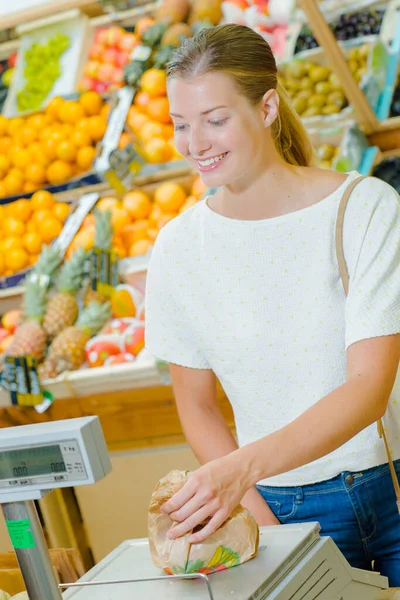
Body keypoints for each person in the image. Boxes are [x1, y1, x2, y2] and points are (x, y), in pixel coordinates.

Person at [145, 23, 400, 583]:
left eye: (215, 120)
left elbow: (368, 387)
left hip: (393, 484)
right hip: (279, 507)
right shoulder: (178, 249)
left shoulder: (364, 209)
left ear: (265, 108)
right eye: (181, 125)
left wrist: (238, 470)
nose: (196, 144)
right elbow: (198, 406)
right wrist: (259, 518)